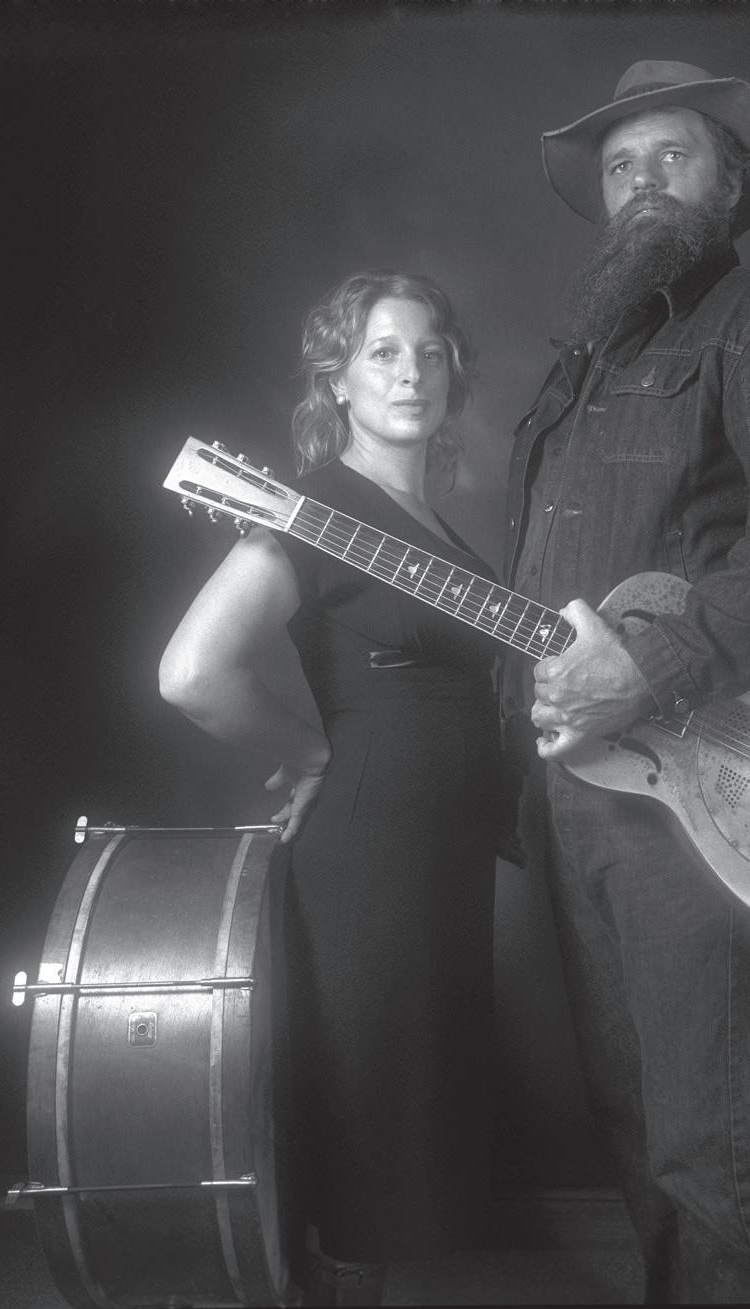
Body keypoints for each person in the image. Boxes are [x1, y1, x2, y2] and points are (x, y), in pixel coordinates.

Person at [501, 61, 750, 1303]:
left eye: (672, 156)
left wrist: (653, 661)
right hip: (572, 788)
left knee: (702, 1137)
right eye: (621, 166)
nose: (641, 181)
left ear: (728, 184)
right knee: (631, 1121)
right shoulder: (573, 372)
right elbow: (537, 593)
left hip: (696, 784)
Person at [160, 271, 505, 1307]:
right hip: (370, 843)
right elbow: (191, 672)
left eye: (431, 352)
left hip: (443, 848)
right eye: (383, 352)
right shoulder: (316, 509)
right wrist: (307, 752)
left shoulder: (433, 524)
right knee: (365, 1108)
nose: (412, 372)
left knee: (404, 1105)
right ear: (337, 380)